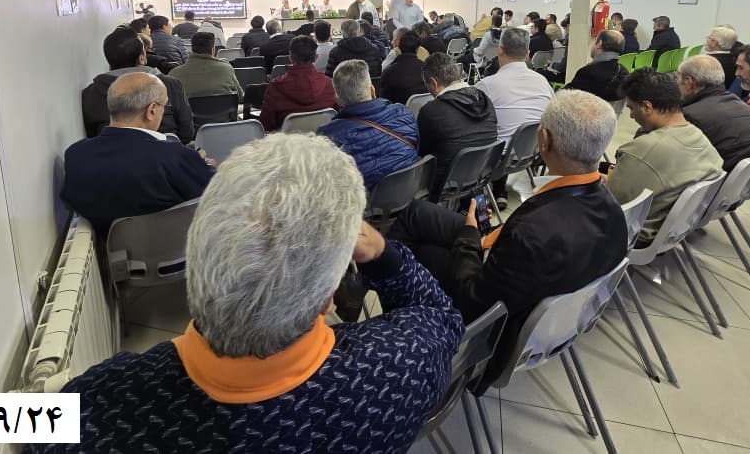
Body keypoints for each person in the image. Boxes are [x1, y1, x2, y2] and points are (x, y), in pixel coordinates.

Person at [38, 134, 463, 454]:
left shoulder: (100, 405)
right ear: (327, 297)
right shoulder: (401, 368)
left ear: (196, 257)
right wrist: (382, 252)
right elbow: (441, 314)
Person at [389, 90, 627, 390]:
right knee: (418, 214)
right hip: (531, 293)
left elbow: (472, 301)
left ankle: (402, 331)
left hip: (491, 334)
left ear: (544, 140)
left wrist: (470, 236)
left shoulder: (532, 233)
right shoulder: (613, 211)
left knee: (418, 252)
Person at [64, 73, 213, 237]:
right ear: (151, 110)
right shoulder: (177, 157)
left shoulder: (75, 156)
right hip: (177, 248)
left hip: (109, 250)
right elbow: (217, 198)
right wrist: (205, 167)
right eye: (164, 105)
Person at [608, 68, 723, 245]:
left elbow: (610, 207)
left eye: (631, 108)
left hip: (634, 237)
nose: (631, 116)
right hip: (674, 229)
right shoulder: (699, 136)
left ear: (647, 107)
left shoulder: (642, 150)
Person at [476, 27, 554, 207]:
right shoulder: (542, 82)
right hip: (535, 153)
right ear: (528, 53)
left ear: (500, 50)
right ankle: (499, 192)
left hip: (498, 161)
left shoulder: (486, 85)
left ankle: (477, 206)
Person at [319, 60, 421, 188]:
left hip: (364, 200)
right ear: (372, 90)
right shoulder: (404, 113)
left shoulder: (326, 138)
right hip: (410, 190)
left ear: (337, 101)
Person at [82, 27, 194, 142]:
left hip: (110, 152)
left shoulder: (91, 92)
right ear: (141, 58)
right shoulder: (170, 85)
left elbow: (92, 134)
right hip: (166, 150)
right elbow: (186, 133)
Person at [417, 53, 498, 200]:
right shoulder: (485, 100)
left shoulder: (431, 111)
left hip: (442, 186)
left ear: (433, 82)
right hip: (479, 177)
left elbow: (422, 154)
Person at [676, 55, 750, 172]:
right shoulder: (740, 104)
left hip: (717, 176)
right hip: (744, 176)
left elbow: (679, 162)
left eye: (676, 78)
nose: (675, 84)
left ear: (689, 82)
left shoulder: (690, 116)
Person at [259, 35, 337, 132]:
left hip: (287, 141)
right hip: (323, 139)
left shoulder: (275, 87)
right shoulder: (330, 85)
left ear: (290, 58)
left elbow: (266, 125)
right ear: (316, 57)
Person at [168, 31, 243, 99]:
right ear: (213, 49)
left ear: (192, 49)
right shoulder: (226, 69)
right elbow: (240, 96)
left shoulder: (174, 74)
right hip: (222, 110)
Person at [564, 29, 628, 101]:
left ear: (599, 43)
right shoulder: (624, 72)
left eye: (595, 42)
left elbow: (567, 98)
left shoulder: (587, 73)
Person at [381, 30, 429, 104]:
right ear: (417, 49)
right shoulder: (427, 69)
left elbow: (385, 99)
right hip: (424, 108)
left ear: (399, 47)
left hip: (398, 110)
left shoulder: (389, 72)